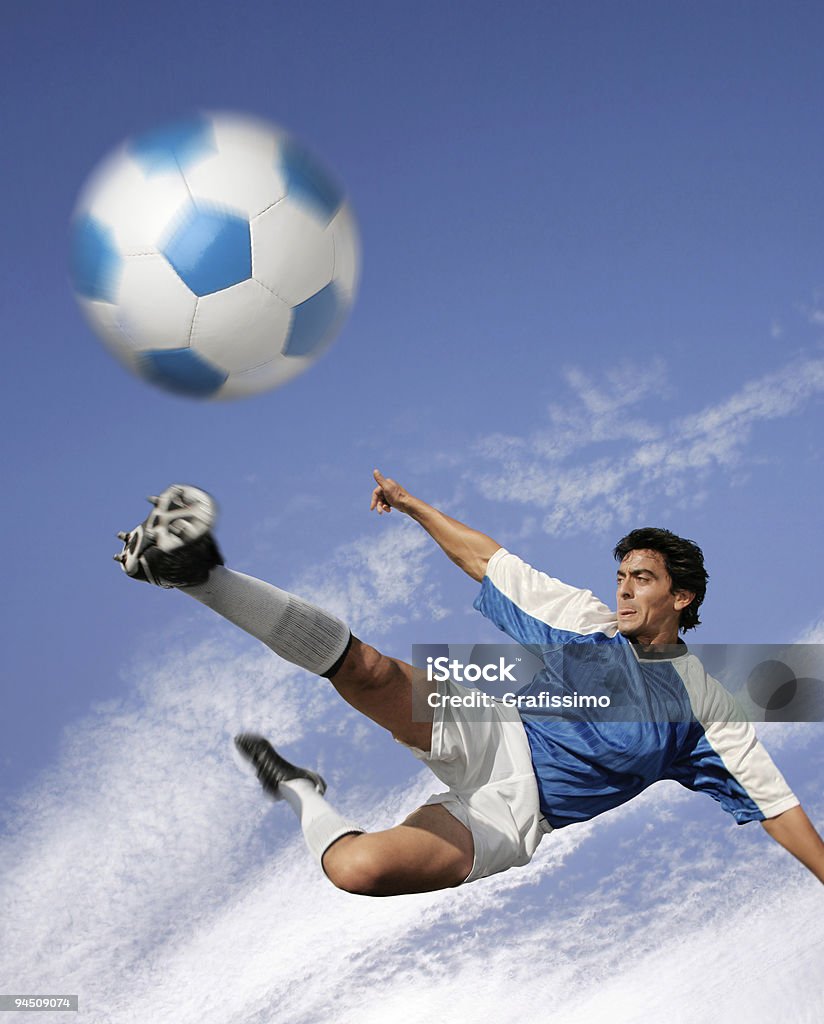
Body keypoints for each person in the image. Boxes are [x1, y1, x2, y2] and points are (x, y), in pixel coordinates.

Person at [114, 474, 824, 894]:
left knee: (357, 870)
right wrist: (415, 505)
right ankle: (198, 573)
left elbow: (781, 813)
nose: (626, 590)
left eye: (644, 580)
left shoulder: (708, 712)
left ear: (683, 599)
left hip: (517, 815)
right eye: (622, 576)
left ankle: (302, 791)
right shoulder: (587, 622)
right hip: (495, 729)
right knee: (367, 670)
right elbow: (490, 562)